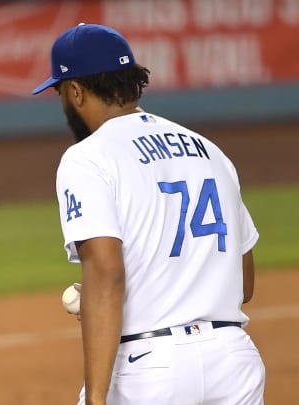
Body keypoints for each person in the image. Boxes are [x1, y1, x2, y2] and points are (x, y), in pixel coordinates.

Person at [32, 23, 265, 404]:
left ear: (76, 91)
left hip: (151, 371)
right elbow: (244, 283)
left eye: (59, 91)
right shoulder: (208, 150)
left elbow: (106, 273)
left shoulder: (88, 157)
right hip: (234, 363)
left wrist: (96, 398)